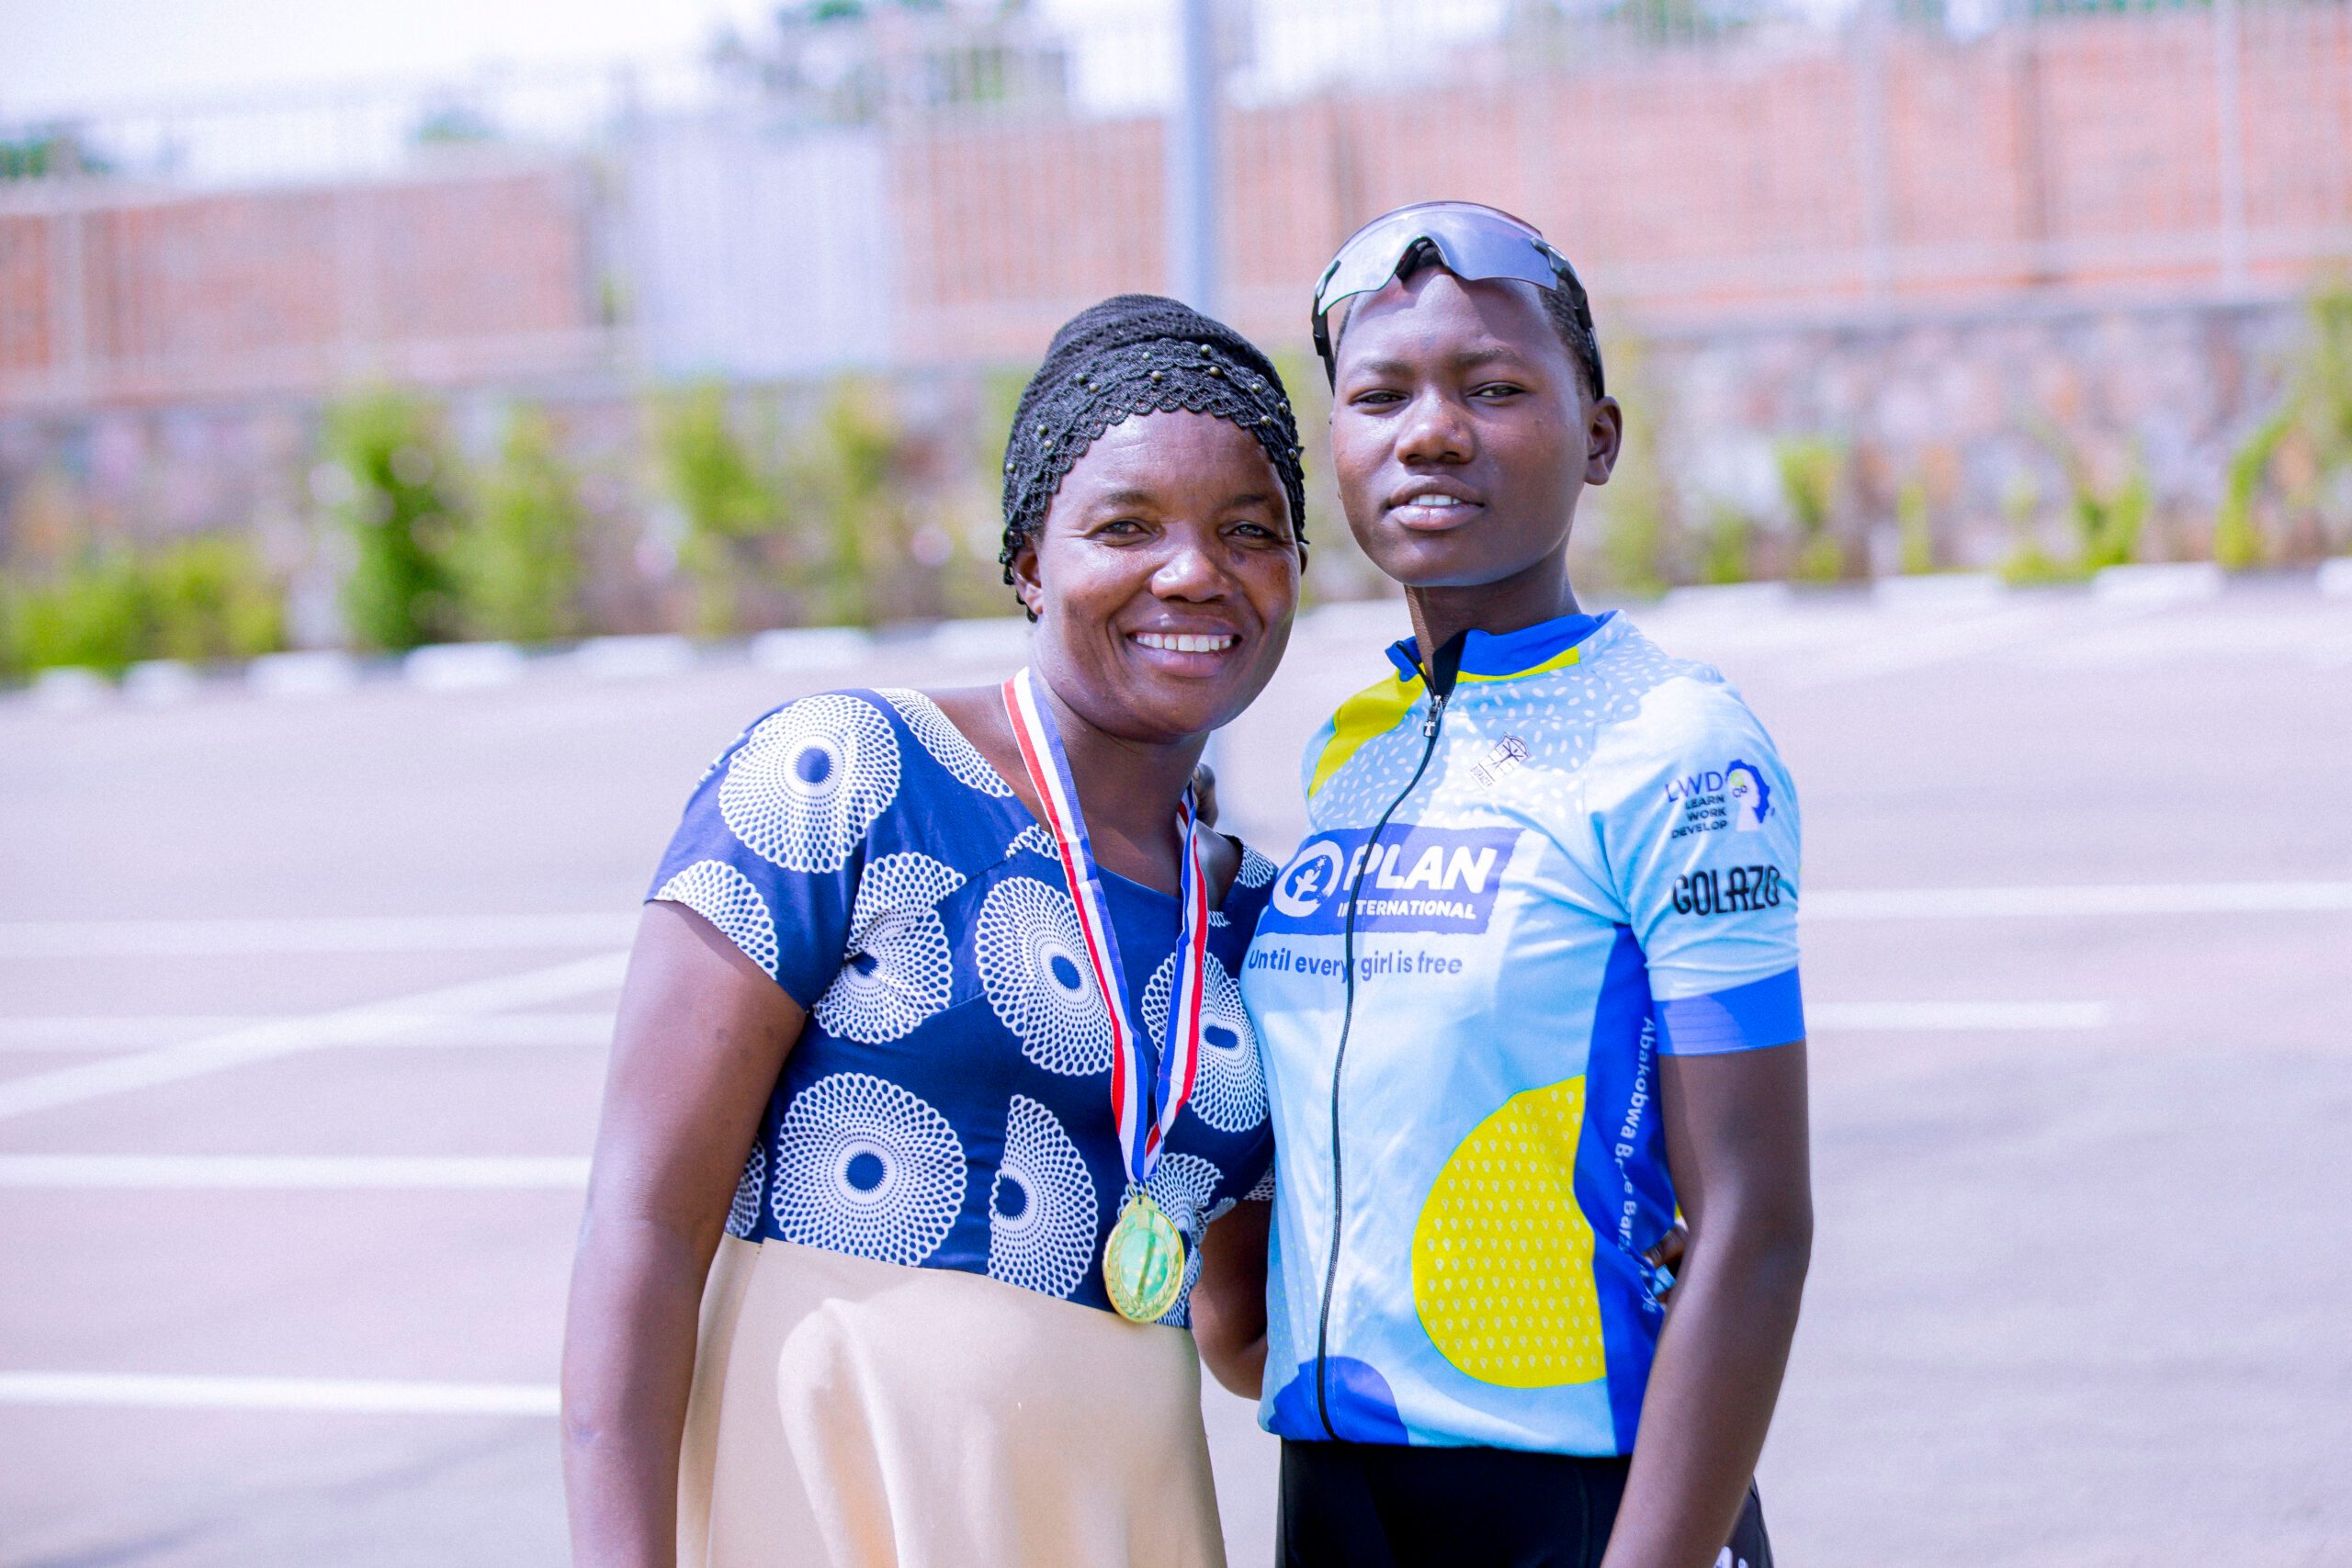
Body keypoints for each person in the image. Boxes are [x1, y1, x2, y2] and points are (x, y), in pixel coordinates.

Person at [560, 295, 1308, 1568]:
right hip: (835, 1491)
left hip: (1112, 1512)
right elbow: (646, 1220)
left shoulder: (1259, 922)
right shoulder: (849, 775)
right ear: (1028, 561)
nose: (1194, 571)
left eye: (1250, 531)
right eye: (1125, 527)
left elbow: (1245, 1330)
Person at [1219, 203, 1810, 1568]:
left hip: (1591, 1497)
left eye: (1494, 388)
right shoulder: (1350, 754)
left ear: (1598, 438)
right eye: (1380, 397)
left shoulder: (1677, 744)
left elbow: (1758, 1221)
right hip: (1340, 1492)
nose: (1431, 433)